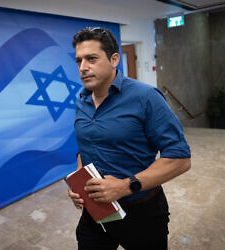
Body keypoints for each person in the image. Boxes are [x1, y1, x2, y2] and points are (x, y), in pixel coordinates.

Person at [67, 27, 191, 250]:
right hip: (95, 212)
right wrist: (80, 184)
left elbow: (180, 158)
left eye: (91, 59)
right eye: (79, 61)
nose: (83, 67)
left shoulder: (146, 97)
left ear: (114, 59)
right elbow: (84, 147)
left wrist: (126, 186)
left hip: (142, 214)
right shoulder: (81, 101)